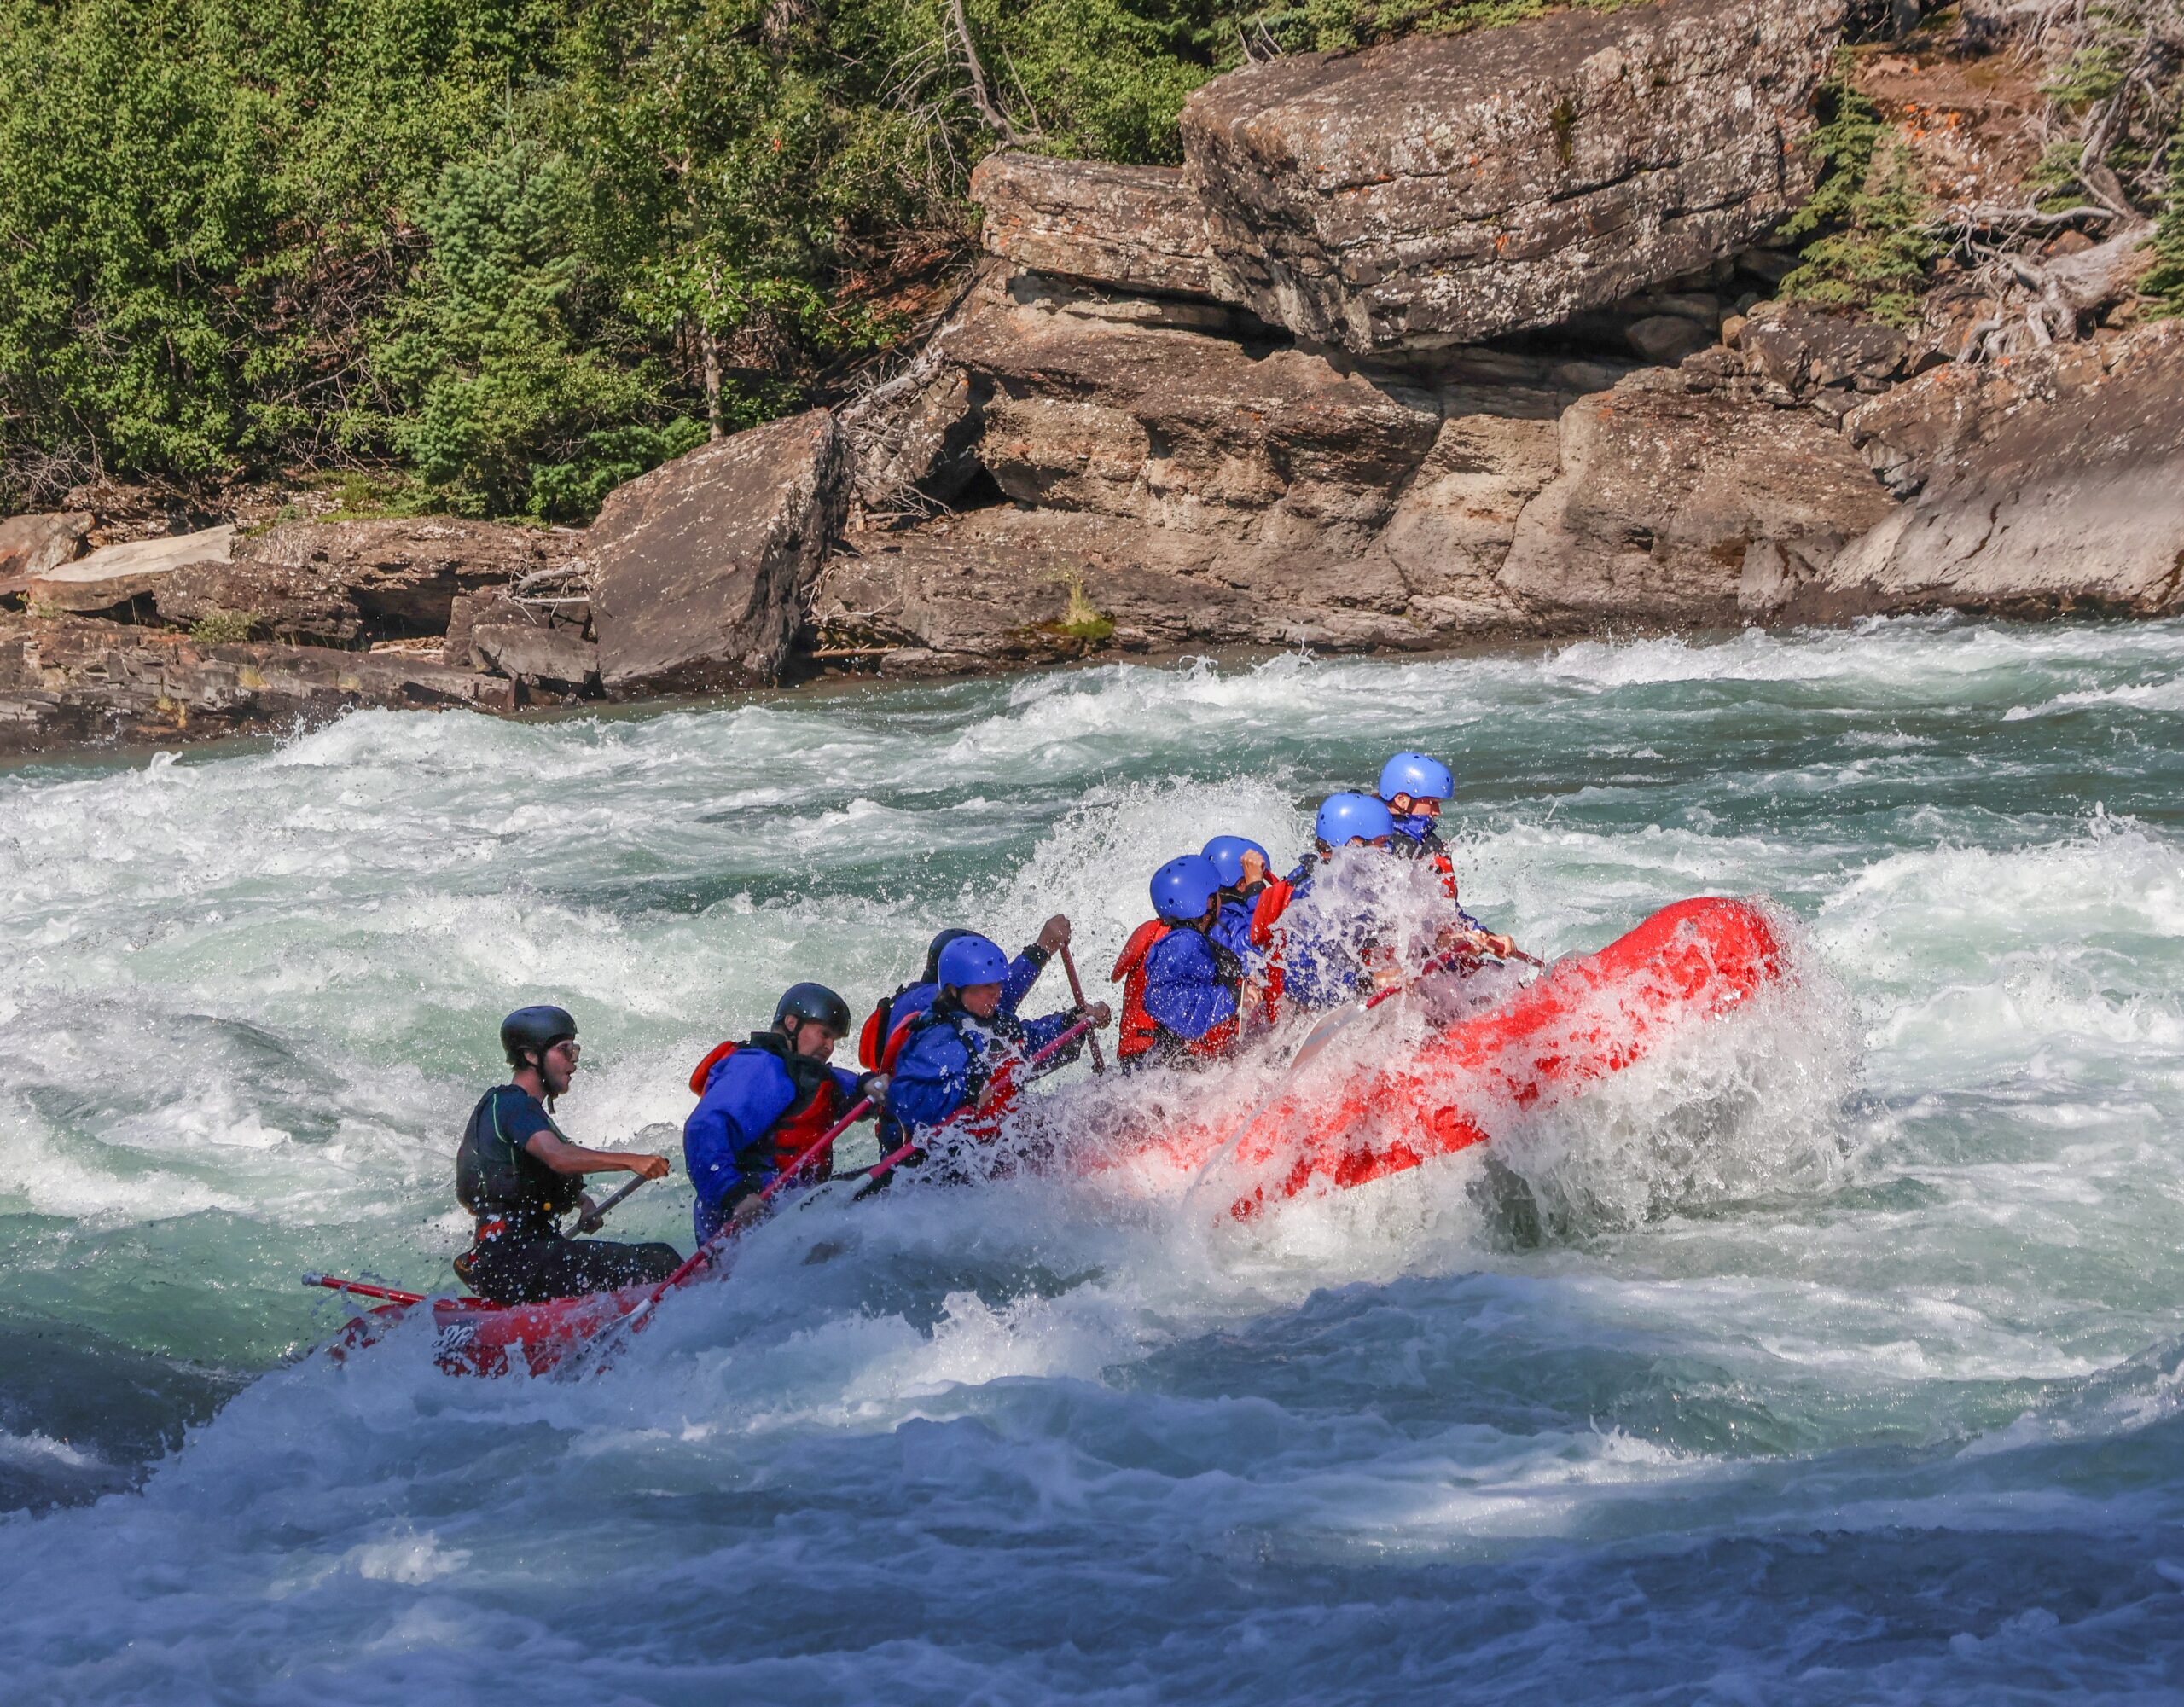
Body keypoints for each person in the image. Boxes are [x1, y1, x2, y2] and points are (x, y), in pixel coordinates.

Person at [454, 1006, 679, 1305]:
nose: (573, 1063)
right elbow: (557, 1157)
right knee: (659, 1262)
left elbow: (522, 1179)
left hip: (524, 1256)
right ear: (532, 1056)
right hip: (513, 1262)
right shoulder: (510, 1104)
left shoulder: (519, 1111)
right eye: (565, 1051)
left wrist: (580, 1202)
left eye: (575, 1050)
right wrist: (631, 1160)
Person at [683, 983, 886, 1245]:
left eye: (833, 1040)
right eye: (824, 1034)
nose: (829, 1046)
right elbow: (704, 1129)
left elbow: (829, 1082)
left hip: (788, 1207)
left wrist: (863, 1085)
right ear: (792, 1023)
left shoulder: (795, 1070)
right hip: (748, 1215)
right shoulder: (759, 1067)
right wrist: (735, 1195)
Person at [887, 934, 1111, 1147]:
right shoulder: (938, 1038)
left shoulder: (1000, 1022)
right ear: (955, 990)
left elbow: (1032, 1042)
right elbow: (904, 1099)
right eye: (987, 987)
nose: (997, 993)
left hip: (1003, 1141)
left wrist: (1071, 1023)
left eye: (998, 984)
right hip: (955, 1159)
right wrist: (967, 1091)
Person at [857, 917, 1076, 1070]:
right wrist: (1042, 947)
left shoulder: (920, 997)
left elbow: (997, 1004)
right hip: (931, 1126)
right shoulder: (930, 1004)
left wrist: (1070, 1022)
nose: (992, 989)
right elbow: (1002, 1006)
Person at [1112, 854, 1244, 1071]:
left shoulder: (1167, 936)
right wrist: (1232, 998)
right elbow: (1168, 1003)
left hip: (1143, 1066)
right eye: (1217, 894)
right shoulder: (1185, 943)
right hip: (1162, 1069)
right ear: (1207, 901)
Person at [1376, 752, 1456, 861]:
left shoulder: (1432, 844)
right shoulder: (1376, 840)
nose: (1437, 812)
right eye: (1432, 803)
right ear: (1402, 800)